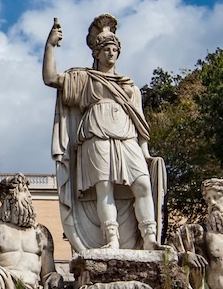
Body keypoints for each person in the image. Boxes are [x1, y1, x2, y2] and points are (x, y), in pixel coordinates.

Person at [44, 14, 162, 251]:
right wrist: (50, 46)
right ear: (96, 53)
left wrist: (146, 154)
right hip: (96, 135)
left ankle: (149, 238)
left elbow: (140, 126)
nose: (111, 53)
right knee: (104, 189)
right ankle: (111, 240)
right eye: (106, 49)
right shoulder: (84, 78)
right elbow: (51, 78)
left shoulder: (129, 86)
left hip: (127, 136)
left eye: (114, 49)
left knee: (143, 185)